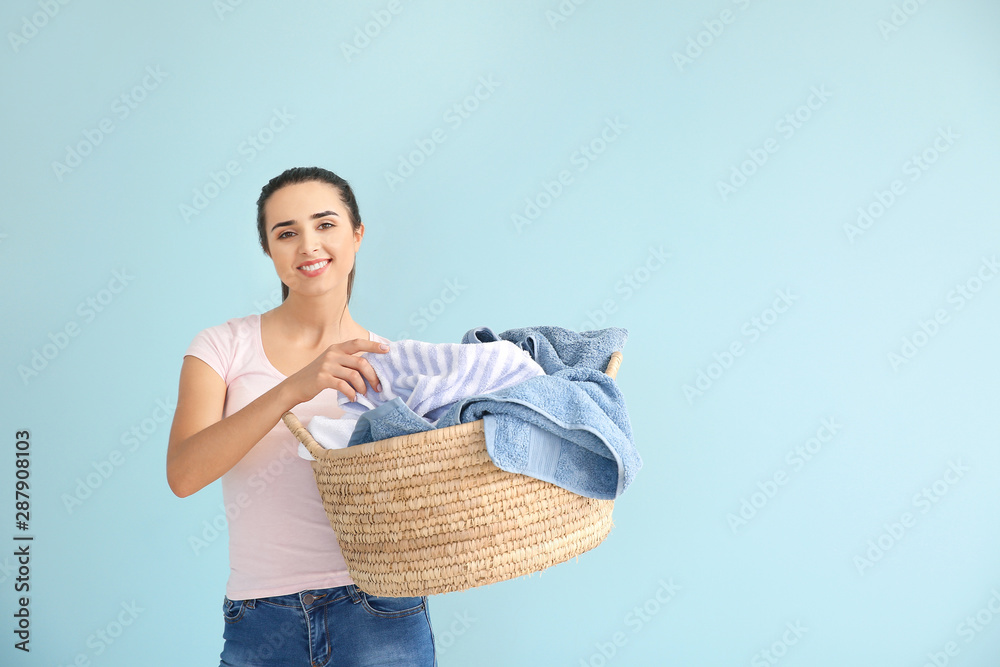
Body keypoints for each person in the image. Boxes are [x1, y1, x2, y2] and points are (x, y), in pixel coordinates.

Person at [167, 167, 437, 666]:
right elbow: (184, 474)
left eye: (326, 224)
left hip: (379, 610)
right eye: (286, 233)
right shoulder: (220, 347)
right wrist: (294, 387)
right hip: (258, 615)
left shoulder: (394, 366)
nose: (308, 245)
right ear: (270, 252)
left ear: (357, 235)